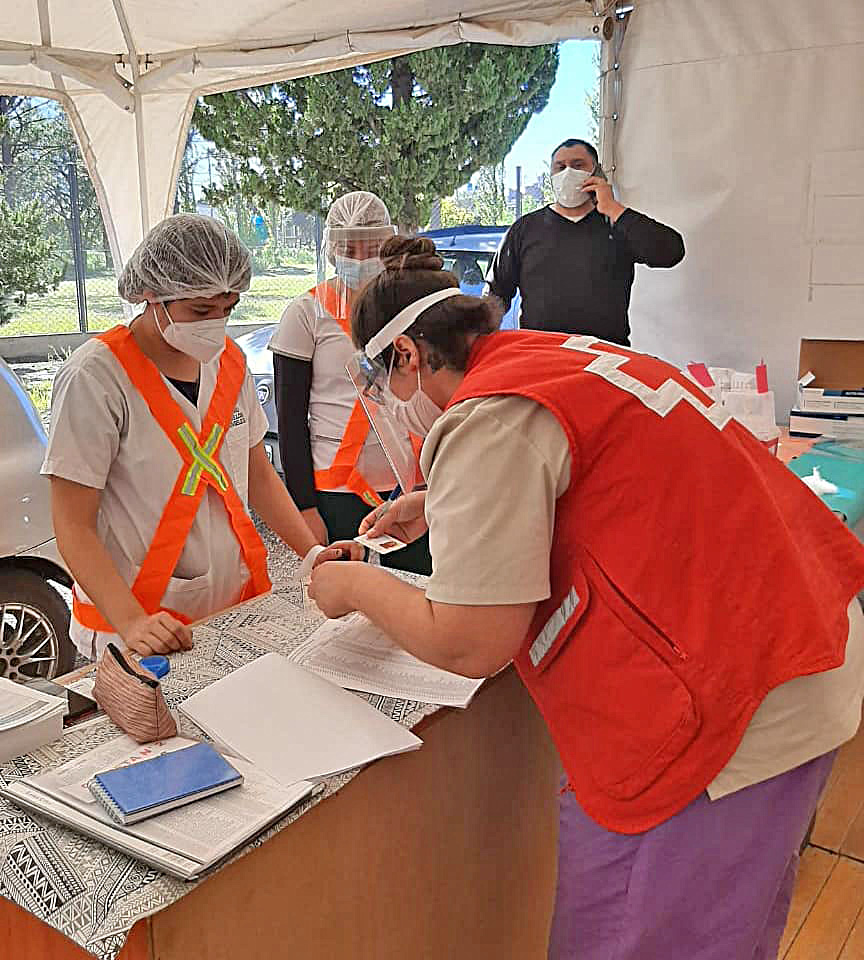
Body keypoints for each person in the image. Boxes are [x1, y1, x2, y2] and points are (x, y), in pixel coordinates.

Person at [308, 234, 864, 959]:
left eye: (384, 384)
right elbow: (598, 471)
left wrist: (354, 583)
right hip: (799, 651)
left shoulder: (488, 416)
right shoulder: (554, 355)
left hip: (724, 719)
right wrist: (435, 500)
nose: (392, 407)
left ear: (408, 357)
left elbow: (473, 640)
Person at [43, 214, 358, 659]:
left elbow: (257, 472)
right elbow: (72, 525)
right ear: (151, 295)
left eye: (227, 308)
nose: (216, 324)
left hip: (232, 608)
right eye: (201, 311)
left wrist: (311, 552)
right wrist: (132, 622)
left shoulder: (228, 361)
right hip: (134, 625)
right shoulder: (94, 379)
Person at [269, 191, 431, 574]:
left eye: (371, 247)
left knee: (415, 594)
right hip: (336, 490)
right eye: (349, 248)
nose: (360, 259)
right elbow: (290, 419)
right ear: (331, 249)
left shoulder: (407, 307)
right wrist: (304, 507)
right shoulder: (306, 313)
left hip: (409, 485)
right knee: (348, 603)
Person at [487, 138, 685, 345]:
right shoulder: (524, 229)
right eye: (560, 167)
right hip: (541, 354)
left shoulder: (618, 224)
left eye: (578, 165)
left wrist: (612, 208)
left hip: (605, 356)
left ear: (596, 172)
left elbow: (670, 252)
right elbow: (497, 293)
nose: (567, 173)